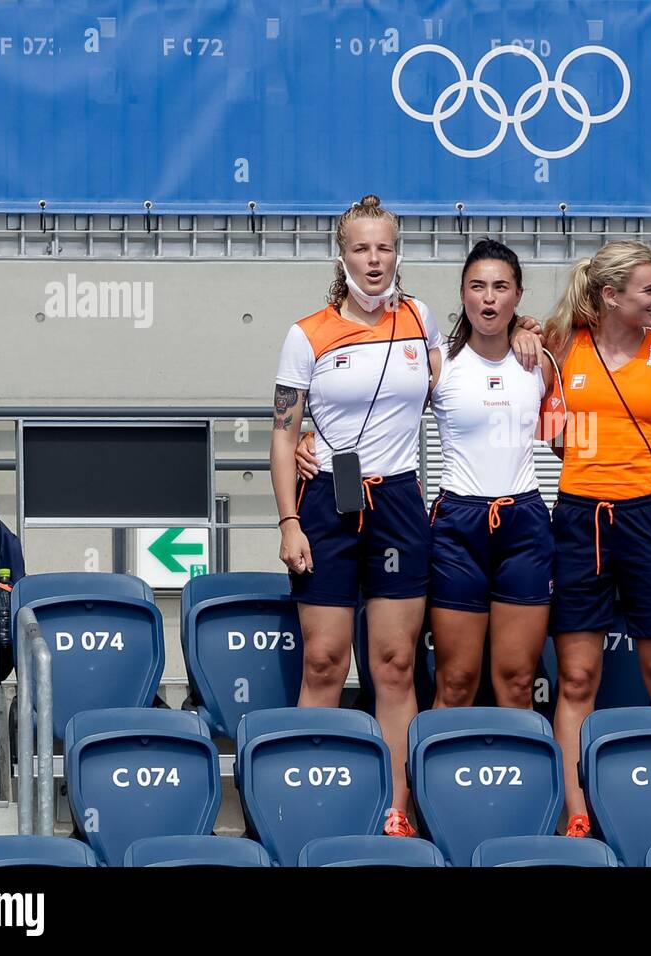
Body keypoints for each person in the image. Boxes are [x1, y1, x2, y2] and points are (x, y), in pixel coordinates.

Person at [298, 239, 555, 708]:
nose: (489, 297)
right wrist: (312, 439)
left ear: (518, 295)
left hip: (526, 522)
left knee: (518, 682)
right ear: (462, 295)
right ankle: (437, 780)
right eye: (477, 286)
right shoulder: (442, 365)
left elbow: (571, 434)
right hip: (458, 521)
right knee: (455, 682)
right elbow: (377, 410)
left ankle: (517, 780)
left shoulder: (542, 361)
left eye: (501, 287)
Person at [270, 195, 438, 838]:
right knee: (325, 662)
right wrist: (289, 520)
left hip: (397, 501)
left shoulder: (420, 319)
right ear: (342, 257)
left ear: (399, 253)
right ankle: (310, 808)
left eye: (385, 247)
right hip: (327, 506)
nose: (374, 260)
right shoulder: (306, 333)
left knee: (394, 665)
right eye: (362, 248)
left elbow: (469, 364)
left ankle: (399, 806)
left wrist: (530, 329)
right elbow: (285, 434)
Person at [542, 240, 651, 838]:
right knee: (577, 679)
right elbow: (554, 438)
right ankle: (576, 810)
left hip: (649, 521)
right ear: (611, 295)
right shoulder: (562, 350)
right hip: (579, 518)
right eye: (650, 289)